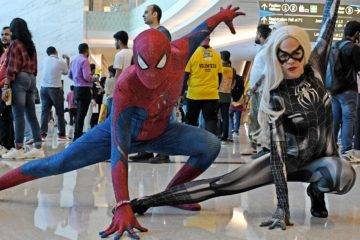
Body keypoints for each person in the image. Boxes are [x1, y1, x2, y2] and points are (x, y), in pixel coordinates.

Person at [0, 6, 243, 239]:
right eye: (144, 66)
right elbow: (119, 150)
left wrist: (222, 15)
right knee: (57, 162)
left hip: (162, 130)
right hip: (119, 132)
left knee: (210, 145)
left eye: (158, 65)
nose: (151, 77)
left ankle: (173, 194)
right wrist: (123, 204)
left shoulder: (181, 52)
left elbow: (202, 28)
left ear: (169, 53)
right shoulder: (126, 84)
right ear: (135, 60)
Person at [130, 0, 356, 231]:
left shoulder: (315, 64)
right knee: (221, 185)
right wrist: (282, 208)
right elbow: (278, 156)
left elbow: (329, 20)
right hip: (285, 158)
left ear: (304, 51)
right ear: (276, 57)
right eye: (283, 56)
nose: (291, 61)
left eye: (296, 54)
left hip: (319, 161)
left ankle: (316, 193)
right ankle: (147, 201)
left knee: (344, 175)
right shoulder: (277, 94)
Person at [131, 3, 172, 163]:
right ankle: (146, 150)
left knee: (161, 117)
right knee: (146, 118)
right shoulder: (149, 33)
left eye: (146, 12)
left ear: (155, 14)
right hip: (148, 83)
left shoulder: (162, 33)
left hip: (160, 84)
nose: (143, 15)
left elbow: (162, 57)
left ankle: (163, 153)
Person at [1, 18, 44, 159]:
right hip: (31, 79)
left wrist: (6, 86)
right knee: (31, 115)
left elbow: (12, 67)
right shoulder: (30, 44)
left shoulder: (15, 44)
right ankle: (38, 147)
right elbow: (35, 66)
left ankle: (18, 148)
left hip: (19, 79)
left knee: (18, 115)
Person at [327, 20, 360, 161]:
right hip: (348, 90)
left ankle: (330, 148)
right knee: (348, 119)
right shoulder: (354, 48)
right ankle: (346, 150)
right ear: (357, 33)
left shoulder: (335, 45)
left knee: (335, 118)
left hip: (334, 89)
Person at [241, 24, 272, 156]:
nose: (255, 36)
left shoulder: (267, 50)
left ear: (260, 34)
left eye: (256, 33)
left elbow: (265, 72)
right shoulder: (263, 49)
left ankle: (260, 145)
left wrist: (255, 87)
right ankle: (257, 145)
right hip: (258, 90)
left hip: (261, 90)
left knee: (258, 117)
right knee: (256, 117)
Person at [184, 35, 223, 135]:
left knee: (191, 121)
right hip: (211, 94)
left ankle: (191, 147)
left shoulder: (192, 54)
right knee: (211, 121)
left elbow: (186, 75)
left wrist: (181, 91)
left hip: (194, 94)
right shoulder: (216, 55)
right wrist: (215, 88)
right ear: (209, 40)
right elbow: (220, 75)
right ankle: (211, 147)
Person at [39, 46, 69, 141]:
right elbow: (66, 72)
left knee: (45, 112)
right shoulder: (60, 62)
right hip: (55, 89)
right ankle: (61, 135)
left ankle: (42, 134)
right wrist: (67, 59)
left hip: (43, 89)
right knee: (60, 112)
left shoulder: (44, 60)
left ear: (48, 53)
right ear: (56, 51)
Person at [69, 43, 97, 140]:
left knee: (79, 113)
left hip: (77, 89)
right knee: (82, 114)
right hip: (84, 90)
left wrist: (77, 80)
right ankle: (78, 136)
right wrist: (95, 78)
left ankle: (77, 134)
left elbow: (70, 75)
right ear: (87, 50)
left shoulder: (74, 61)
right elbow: (87, 77)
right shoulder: (85, 61)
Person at [0, 26, 14, 155]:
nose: (4, 36)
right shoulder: (5, 52)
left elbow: (9, 72)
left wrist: (4, 86)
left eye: (7, 34)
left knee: (5, 117)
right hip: (2, 87)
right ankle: (7, 144)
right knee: (6, 117)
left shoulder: (12, 51)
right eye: (2, 34)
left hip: (6, 88)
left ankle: (6, 145)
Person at [218, 50, 235, 142]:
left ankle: (217, 134)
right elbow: (233, 83)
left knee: (216, 116)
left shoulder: (219, 68)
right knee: (225, 117)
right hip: (227, 96)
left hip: (217, 95)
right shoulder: (233, 69)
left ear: (221, 58)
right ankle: (225, 136)